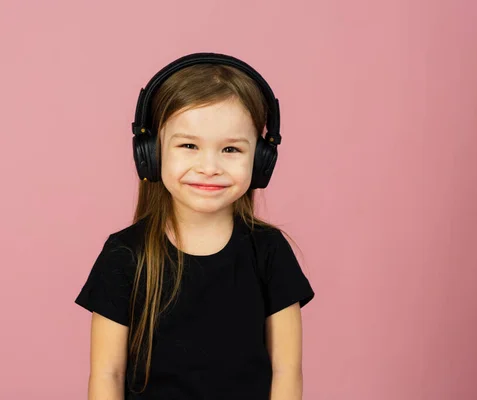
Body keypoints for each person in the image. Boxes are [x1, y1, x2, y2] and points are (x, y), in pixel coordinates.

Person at [74, 53, 315, 399]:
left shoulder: (270, 250)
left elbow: (287, 371)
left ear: (261, 161)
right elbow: (107, 375)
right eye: (189, 145)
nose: (209, 166)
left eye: (231, 149)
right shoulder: (124, 254)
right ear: (152, 154)